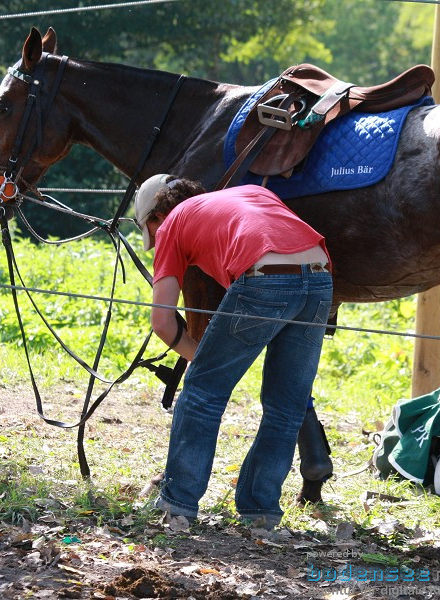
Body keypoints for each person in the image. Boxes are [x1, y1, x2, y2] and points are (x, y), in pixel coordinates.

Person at [134, 175, 333, 528]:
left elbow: (163, 322)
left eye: (151, 227)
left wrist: (204, 361)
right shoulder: (251, 194)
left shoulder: (172, 223)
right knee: (286, 406)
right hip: (321, 277)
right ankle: (260, 511)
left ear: (156, 216)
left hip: (264, 274)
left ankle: (177, 503)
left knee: (200, 394)